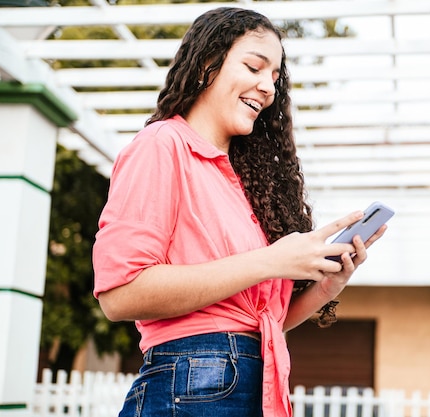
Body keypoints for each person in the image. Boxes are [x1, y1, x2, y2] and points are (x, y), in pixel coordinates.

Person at [92, 7, 387, 417]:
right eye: (254, 67)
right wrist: (270, 261)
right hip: (191, 382)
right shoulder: (162, 146)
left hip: (250, 381)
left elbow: (256, 324)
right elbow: (119, 294)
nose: (268, 87)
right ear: (206, 65)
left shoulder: (246, 181)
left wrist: (325, 287)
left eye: (275, 77)